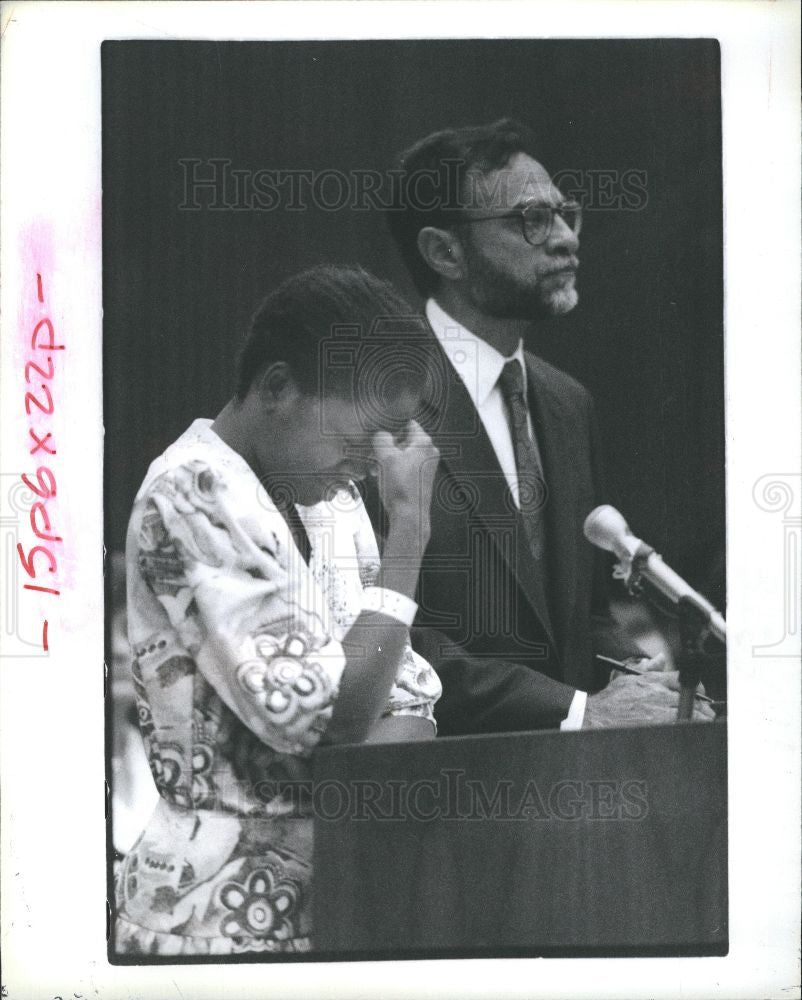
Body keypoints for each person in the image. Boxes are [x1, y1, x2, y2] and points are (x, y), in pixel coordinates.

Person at [114, 265, 442, 956]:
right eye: (357, 441)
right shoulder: (190, 491)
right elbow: (329, 713)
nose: (369, 466)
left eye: (385, 445)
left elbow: (407, 692)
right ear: (278, 387)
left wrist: (361, 736)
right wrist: (409, 532)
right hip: (212, 914)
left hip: (339, 887)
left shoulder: (334, 499)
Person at [368, 118, 715, 734]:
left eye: (564, 214)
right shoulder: (379, 401)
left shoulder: (565, 401)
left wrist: (641, 679)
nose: (564, 240)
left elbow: (581, 614)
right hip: (436, 782)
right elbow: (382, 628)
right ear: (444, 251)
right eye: (531, 220)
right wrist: (577, 711)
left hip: (565, 792)